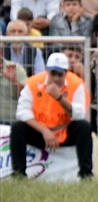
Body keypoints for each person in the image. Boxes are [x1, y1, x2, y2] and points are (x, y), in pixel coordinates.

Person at [9, 52, 92, 180]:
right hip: (40, 131)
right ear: (47, 71)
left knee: (84, 127)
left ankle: (86, 174)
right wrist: (44, 131)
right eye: (53, 73)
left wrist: (59, 98)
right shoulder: (33, 83)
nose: (56, 78)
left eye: (60, 74)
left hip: (64, 131)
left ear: (66, 72)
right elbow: (22, 112)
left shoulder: (76, 84)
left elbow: (79, 114)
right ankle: (19, 174)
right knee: (17, 127)